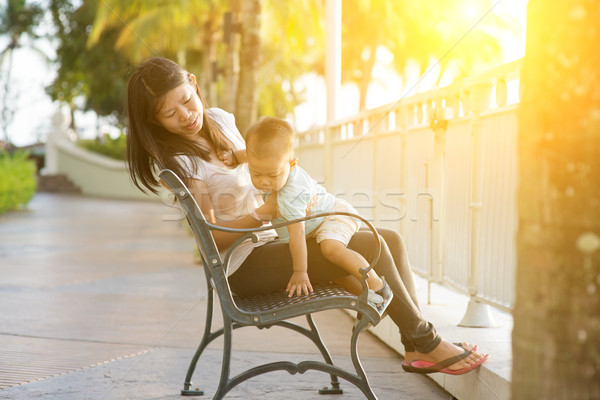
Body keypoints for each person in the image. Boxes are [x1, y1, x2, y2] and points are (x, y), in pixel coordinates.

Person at [125, 56, 488, 375]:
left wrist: (295, 193)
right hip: (243, 266)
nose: (186, 115)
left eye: (187, 102)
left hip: (277, 240)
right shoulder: (181, 163)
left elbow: (259, 164)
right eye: (170, 114)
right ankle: (426, 342)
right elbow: (211, 239)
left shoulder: (220, 120)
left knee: (388, 238)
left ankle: (416, 343)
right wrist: (265, 213)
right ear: (156, 123)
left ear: (193, 83)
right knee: (374, 244)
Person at [227, 116, 392, 310]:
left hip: (334, 216)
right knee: (337, 275)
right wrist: (235, 157)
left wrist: (300, 271)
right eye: (256, 174)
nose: (264, 182)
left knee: (331, 249)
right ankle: (365, 298)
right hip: (318, 224)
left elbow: (296, 235)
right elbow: (252, 155)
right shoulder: (275, 163)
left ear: (292, 165)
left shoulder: (290, 196)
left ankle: (378, 287)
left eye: (272, 175)